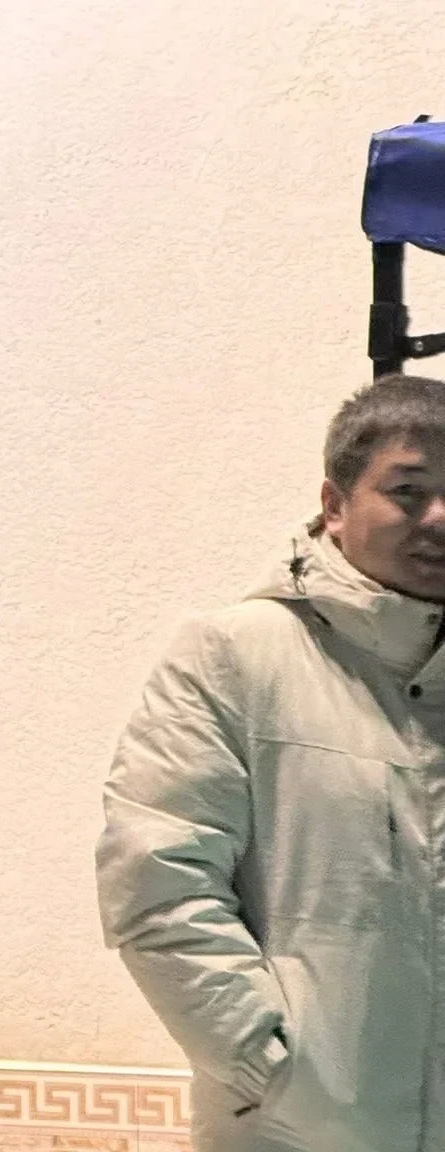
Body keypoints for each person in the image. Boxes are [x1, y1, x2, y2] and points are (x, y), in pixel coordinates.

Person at [97, 372, 445, 1152]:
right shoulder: (235, 656)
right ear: (335, 503)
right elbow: (158, 883)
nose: (439, 518)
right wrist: (272, 1073)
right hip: (298, 1132)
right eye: (409, 491)